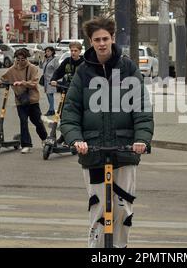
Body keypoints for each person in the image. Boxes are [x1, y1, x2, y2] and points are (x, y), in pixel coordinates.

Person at [60, 17, 154, 248]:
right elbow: (70, 111)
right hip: (92, 151)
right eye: (96, 40)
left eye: (105, 39)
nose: (101, 44)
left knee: (123, 207)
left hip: (125, 150)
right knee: (98, 207)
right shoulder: (83, 72)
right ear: (90, 43)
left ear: (112, 39)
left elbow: (141, 107)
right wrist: (76, 139)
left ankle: (119, 249)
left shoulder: (128, 67)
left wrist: (141, 139)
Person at [0, 48, 48, 154]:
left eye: (23, 59)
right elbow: (4, 81)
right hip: (20, 100)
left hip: (32, 100)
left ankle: (45, 139)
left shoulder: (32, 68)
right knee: (23, 121)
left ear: (26, 58)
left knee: (37, 122)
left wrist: (22, 83)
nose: (20, 61)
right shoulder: (13, 69)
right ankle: (26, 144)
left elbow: (34, 83)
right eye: (18, 59)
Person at [50, 41, 84, 145]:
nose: (73, 53)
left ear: (80, 51)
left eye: (75, 51)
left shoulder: (84, 63)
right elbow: (58, 72)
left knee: (78, 114)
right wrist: (54, 79)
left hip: (79, 93)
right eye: (72, 50)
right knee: (63, 114)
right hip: (66, 91)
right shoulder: (67, 61)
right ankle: (64, 136)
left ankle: (79, 136)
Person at [40, 46, 59, 116]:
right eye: (46, 51)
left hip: (51, 80)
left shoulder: (55, 60)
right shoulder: (46, 59)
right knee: (48, 94)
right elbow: (41, 67)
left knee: (50, 94)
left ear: (52, 52)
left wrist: (56, 79)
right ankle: (51, 109)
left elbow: (57, 69)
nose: (47, 53)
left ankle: (51, 110)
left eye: (49, 51)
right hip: (46, 80)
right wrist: (42, 59)